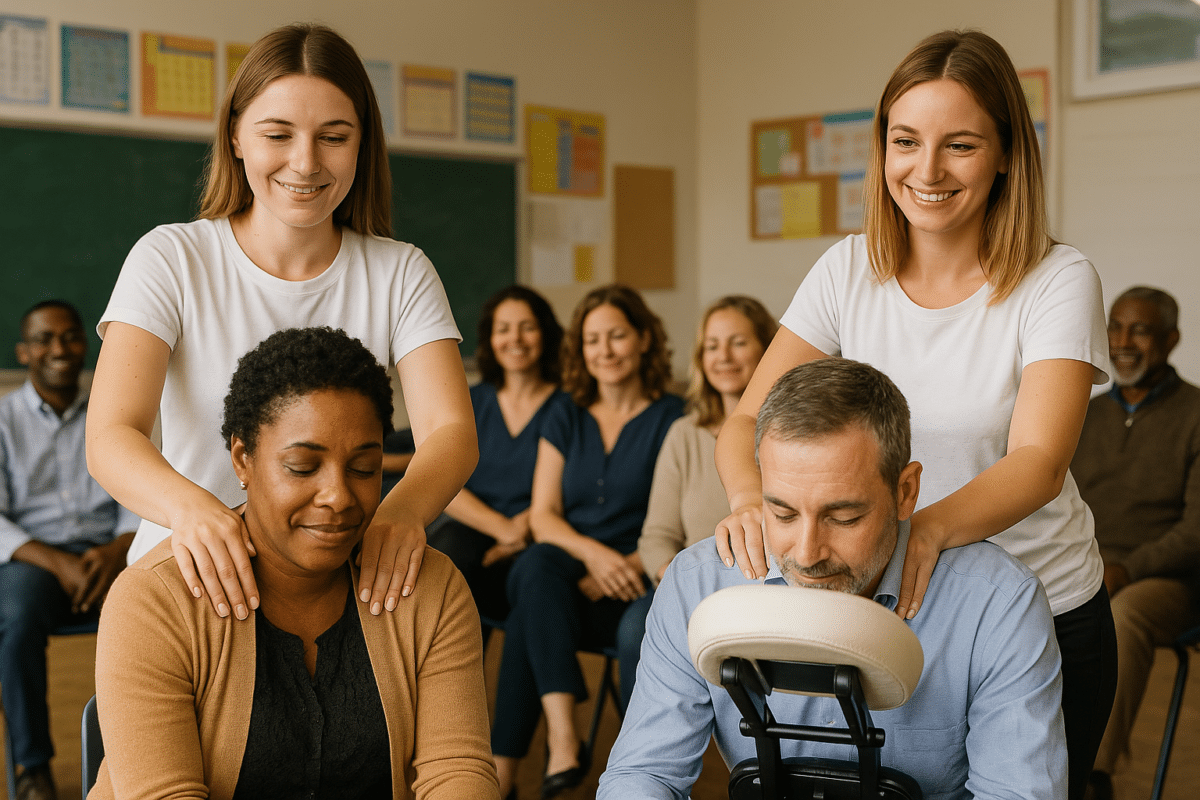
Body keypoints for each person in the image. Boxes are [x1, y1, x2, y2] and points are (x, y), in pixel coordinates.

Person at [712, 29, 1114, 799]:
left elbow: (1038, 461)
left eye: (959, 145)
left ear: (1005, 155)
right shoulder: (845, 270)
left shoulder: (1058, 279)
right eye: (905, 141)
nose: (925, 171)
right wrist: (743, 500)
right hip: (889, 607)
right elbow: (743, 423)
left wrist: (918, 529)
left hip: (1042, 608)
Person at [85, 23, 476, 627]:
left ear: (362, 145)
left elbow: (450, 430)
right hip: (193, 581)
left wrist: (402, 513)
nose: (306, 162)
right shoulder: (171, 257)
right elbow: (111, 435)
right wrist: (197, 511)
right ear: (237, 137)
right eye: (278, 134)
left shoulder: (402, 271)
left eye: (334, 137)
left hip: (341, 589)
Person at [599, 358, 1066, 800]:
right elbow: (644, 772)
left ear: (905, 492)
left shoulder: (997, 604)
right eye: (781, 513)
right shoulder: (698, 586)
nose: (806, 554)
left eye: (843, 517)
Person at [89, 327, 499, 800]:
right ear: (243, 459)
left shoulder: (429, 587)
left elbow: (458, 773)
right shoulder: (156, 602)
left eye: (364, 468)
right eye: (303, 467)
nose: (339, 497)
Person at [491, 284, 683, 800]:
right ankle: (559, 733)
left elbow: (679, 522)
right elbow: (545, 516)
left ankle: (506, 775)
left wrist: (626, 563)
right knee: (536, 566)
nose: (605, 350)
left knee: (526, 613)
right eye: (593, 339)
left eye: (617, 335)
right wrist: (594, 556)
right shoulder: (566, 412)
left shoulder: (674, 417)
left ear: (644, 339)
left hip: (632, 586)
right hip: (571, 575)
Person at [0, 301, 139, 800]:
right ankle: (32, 769)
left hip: (109, 551)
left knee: (159, 607)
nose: (59, 349)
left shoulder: (119, 410)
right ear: (24, 351)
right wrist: (57, 562)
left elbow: (141, 488)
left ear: (87, 345)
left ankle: (135, 762)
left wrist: (121, 548)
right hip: (34, 558)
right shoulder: (3, 419)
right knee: (15, 618)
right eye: (44, 339)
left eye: (70, 336)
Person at [1071, 286, 1200, 800]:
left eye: (1140, 330)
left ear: (1171, 340)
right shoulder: (1083, 413)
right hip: (1084, 564)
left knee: (1121, 615)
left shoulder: (1195, 413)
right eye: (1115, 327)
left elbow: (1196, 530)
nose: (1123, 341)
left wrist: (1128, 568)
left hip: (1166, 579)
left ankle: (1090, 775)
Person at [617, 295, 775, 710]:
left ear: (769, 350)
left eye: (738, 342)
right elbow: (656, 535)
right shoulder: (683, 434)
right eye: (711, 345)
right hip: (689, 585)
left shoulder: (791, 434)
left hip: (767, 587)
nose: (723, 356)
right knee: (636, 626)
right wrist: (677, 577)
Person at [428, 285, 565, 625]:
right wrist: (504, 530)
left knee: (531, 576)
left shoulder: (569, 406)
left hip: (541, 530)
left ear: (545, 334)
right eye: (503, 329)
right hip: (477, 526)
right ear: (490, 338)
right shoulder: (469, 401)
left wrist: (521, 532)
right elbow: (443, 483)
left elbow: (574, 485)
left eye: (527, 327)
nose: (515, 339)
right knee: (444, 557)